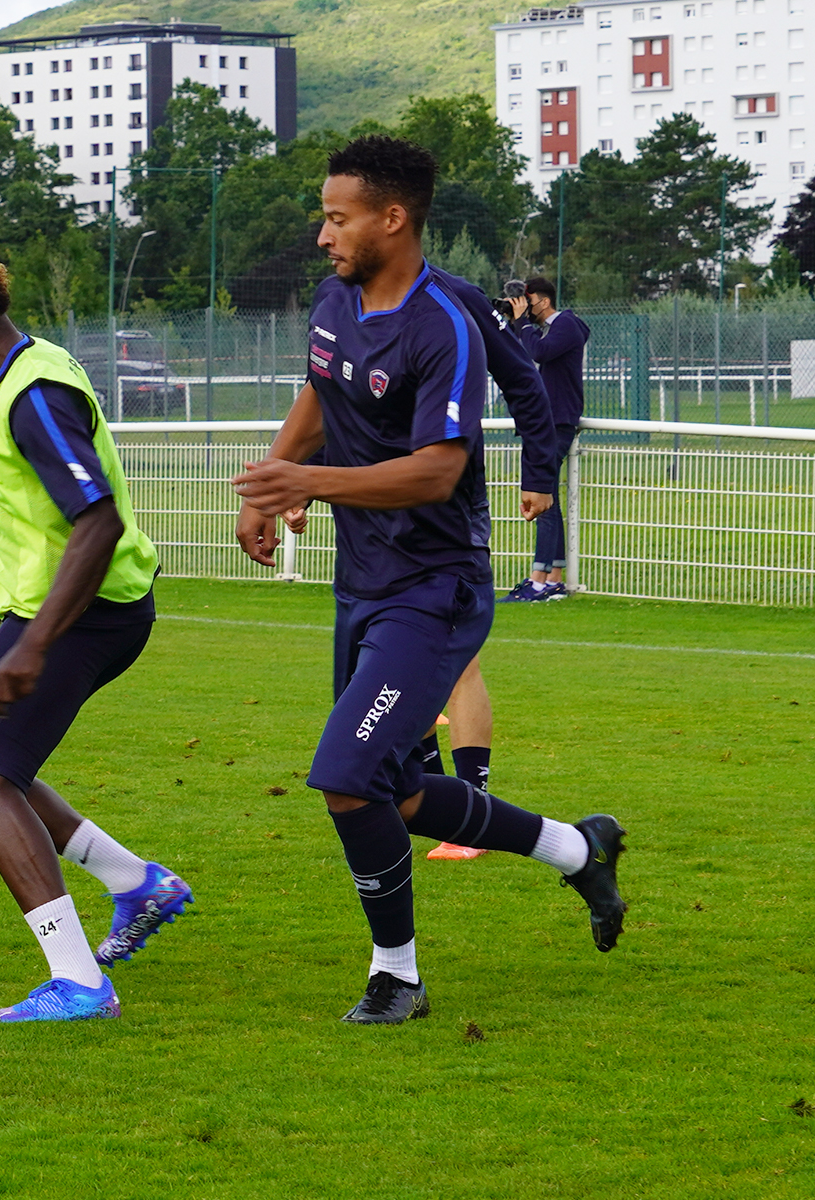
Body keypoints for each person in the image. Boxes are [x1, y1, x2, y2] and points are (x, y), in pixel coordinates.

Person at [232, 136, 626, 1025]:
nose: (323, 233)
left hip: (434, 587)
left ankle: (397, 975)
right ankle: (578, 848)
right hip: (360, 582)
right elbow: (319, 392)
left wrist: (311, 483)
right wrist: (271, 481)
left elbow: (436, 470)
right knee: (398, 794)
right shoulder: (334, 299)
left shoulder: (442, 322)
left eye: (338, 217)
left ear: (393, 218)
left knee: (344, 775)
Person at [0, 235, 192, 1024]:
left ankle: (81, 983)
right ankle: (138, 884)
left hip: (91, 616)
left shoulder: (34, 392)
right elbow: (36, 529)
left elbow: (95, 524)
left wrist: (32, 645)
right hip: (45, 612)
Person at [502, 275, 591, 602]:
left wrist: (523, 323)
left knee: (543, 496)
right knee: (547, 495)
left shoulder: (566, 324)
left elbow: (539, 352)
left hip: (555, 421)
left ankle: (539, 580)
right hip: (545, 422)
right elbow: (521, 354)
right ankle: (553, 577)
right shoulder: (546, 328)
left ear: (542, 300)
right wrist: (513, 324)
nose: (526, 308)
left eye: (528, 301)